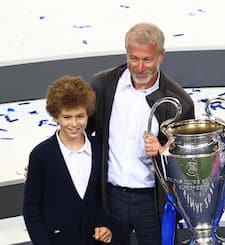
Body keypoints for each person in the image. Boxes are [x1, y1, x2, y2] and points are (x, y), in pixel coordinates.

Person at [85, 22, 195, 245]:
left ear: (161, 56)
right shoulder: (103, 85)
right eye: (134, 58)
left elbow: (188, 161)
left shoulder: (179, 101)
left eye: (147, 59)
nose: (140, 67)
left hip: (152, 203)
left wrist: (163, 151)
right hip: (110, 198)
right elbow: (82, 135)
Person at [23, 75, 112, 245]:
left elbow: (104, 194)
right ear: (56, 116)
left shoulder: (99, 148)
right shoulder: (41, 155)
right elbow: (31, 208)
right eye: (67, 117)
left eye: (80, 116)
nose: (74, 123)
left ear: (88, 114)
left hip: (94, 240)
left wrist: (104, 222)